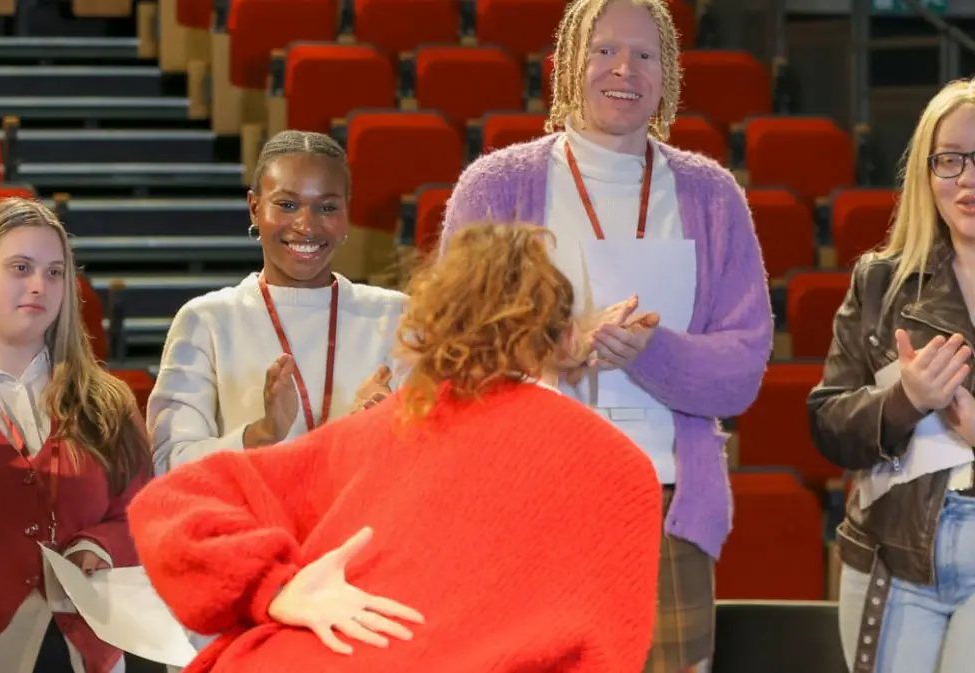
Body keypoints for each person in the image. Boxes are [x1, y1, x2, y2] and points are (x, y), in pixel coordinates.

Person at [127, 222, 663, 673]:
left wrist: (273, 587)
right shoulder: (621, 470)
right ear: (569, 337)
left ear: (434, 327)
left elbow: (168, 504)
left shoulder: (383, 427)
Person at [439, 1, 773, 670]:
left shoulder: (711, 195)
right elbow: (452, 349)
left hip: (667, 504)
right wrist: (554, 348)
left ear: (667, 73)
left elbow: (742, 368)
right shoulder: (497, 186)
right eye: (604, 51)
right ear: (569, 63)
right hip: (530, 501)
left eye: (646, 55)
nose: (625, 69)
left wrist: (657, 353)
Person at [807, 78, 975, 673]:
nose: (968, 179)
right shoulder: (880, 282)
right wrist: (906, 401)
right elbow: (828, 425)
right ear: (927, 173)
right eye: (950, 159)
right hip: (891, 556)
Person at [0, 198, 151, 673]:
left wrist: (97, 545)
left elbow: (142, 512)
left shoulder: (106, 401)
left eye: (55, 272)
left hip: (91, 649)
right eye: (20, 267)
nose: (39, 285)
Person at [147, 130, 405, 475]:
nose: (306, 225)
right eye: (287, 204)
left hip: (363, 524)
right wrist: (262, 433)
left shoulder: (397, 316)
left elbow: (437, 459)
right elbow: (167, 465)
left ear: (346, 215)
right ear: (255, 208)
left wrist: (385, 431)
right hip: (245, 524)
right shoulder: (206, 320)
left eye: (326, 207)